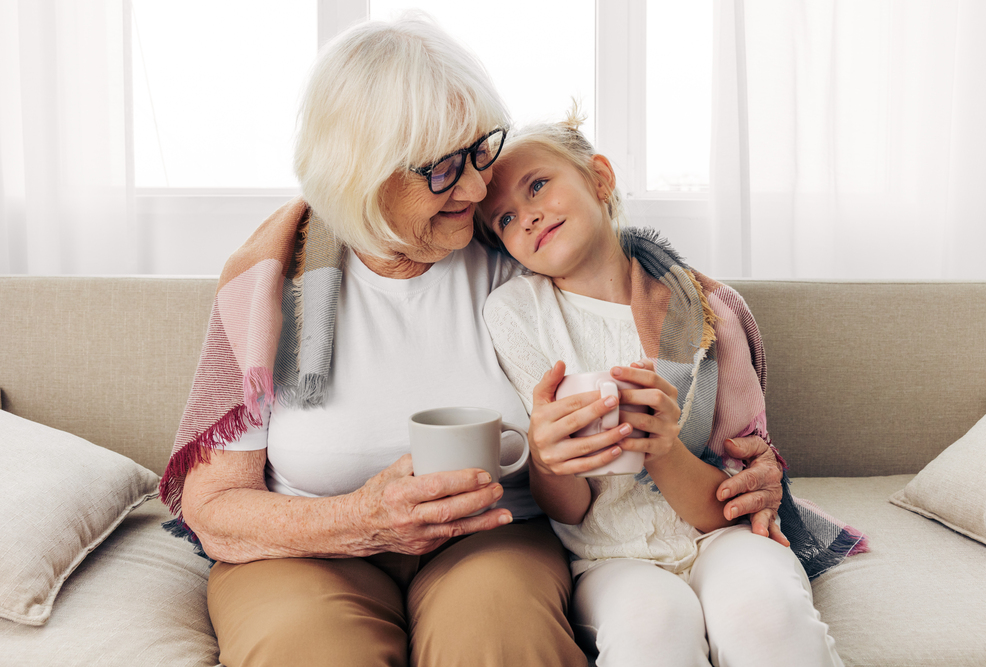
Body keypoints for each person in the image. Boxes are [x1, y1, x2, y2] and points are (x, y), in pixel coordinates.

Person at [159, 15, 787, 667]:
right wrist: (359, 518)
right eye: (443, 170)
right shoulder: (274, 286)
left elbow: (657, 299)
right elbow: (214, 506)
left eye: (480, 150)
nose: (478, 188)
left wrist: (747, 459)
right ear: (363, 177)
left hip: (495, 537)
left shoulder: (520, 249)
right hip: (309, 547)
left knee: (500, 645)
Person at [477, 111, 864, 666]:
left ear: (599, 179)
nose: (529, 216)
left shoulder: (708, 312)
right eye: (505, 219)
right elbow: (572, 510)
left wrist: (661, 447)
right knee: (651, 629)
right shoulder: (517, 315)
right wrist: (547, 456)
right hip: (609, 556)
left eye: (538, 185)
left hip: (718, 534)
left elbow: (731, 502)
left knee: (766, 615)